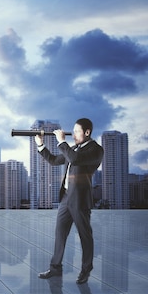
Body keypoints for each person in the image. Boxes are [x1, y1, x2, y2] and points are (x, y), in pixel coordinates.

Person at [35, 118, 103, 284]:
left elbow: (75, 159)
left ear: (87, 132)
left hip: (80, 200)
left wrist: (62, 142)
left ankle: (86, 270)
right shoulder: (73, 148)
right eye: (73, 130)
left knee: (85, 236)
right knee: (60, 233)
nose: (73, 134)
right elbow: (53, 160)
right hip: (66, 197)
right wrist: (40, 145)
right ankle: (55, 268)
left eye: (77, 131)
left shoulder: (96, 150)